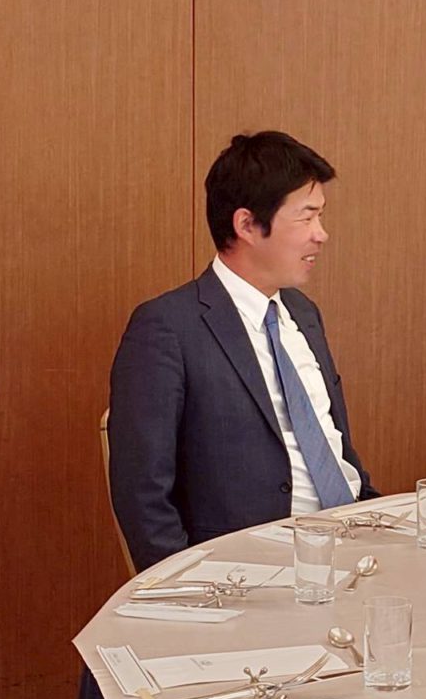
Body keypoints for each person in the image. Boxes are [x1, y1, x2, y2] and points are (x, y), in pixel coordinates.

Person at [108, 130, 378, 574]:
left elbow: (334, 446)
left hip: (351, 544)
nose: (322, 235)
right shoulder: (168, 327)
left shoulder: (302, 313)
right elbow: (142, 491)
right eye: (307, 217)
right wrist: (184, 586)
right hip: (248, 568)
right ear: (247, 225)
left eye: (321, 216)